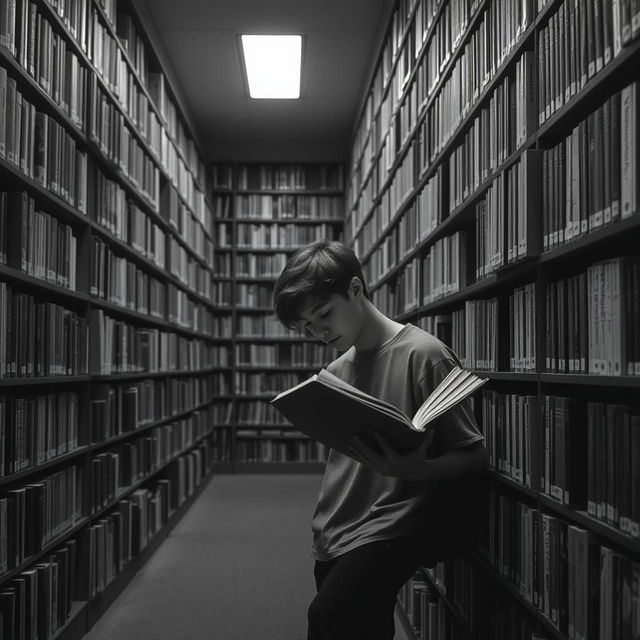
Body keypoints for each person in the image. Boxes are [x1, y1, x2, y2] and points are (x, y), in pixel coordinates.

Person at [272, 239, 487, 640]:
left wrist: (416, 469)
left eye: (324, 314)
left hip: (394, 524)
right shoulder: (335, 370)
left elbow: (475, 454)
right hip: (335, 524)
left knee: (328, 616)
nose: (320, 331)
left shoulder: (425, 355)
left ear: (356, 289)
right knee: (365, 628)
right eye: (307, 327)